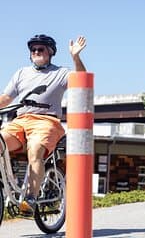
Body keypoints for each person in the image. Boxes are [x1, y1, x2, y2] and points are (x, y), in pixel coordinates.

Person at [0, 34, 86, 215]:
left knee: (35, 149)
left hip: (47, 121)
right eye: (33, 50)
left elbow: (81, 79)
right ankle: (10, 180)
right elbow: (6, 98)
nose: (36, 52)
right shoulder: (21, 73)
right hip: (20, 120)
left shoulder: (60, 72)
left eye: (41, 49)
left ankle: (31, 197)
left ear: (51, 52)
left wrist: (76, 58)